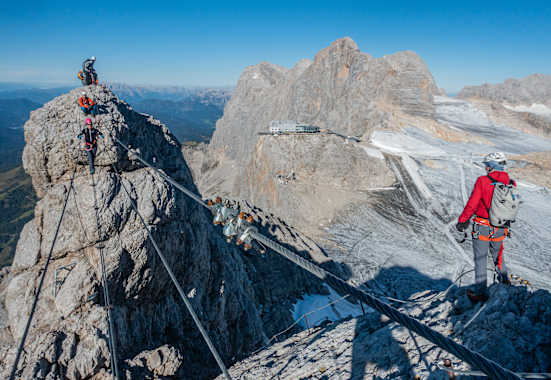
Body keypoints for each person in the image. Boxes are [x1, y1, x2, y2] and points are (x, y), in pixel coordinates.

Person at [456, 152, 514, 303]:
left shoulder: (483, 181)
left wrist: (463, 221)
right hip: (500, 226)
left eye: (487, 165)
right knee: (498, 255)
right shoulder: (511, 183)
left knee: (481, 258)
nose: (485, 168)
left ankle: (480, 293)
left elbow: (473, 203)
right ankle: (505, 283)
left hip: (482, 226)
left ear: (491, 166)